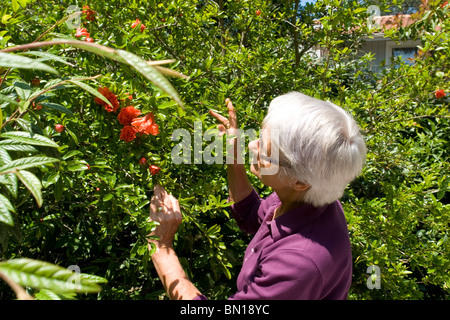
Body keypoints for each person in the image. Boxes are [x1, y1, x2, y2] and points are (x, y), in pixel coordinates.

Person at [147, 92, 367, 300]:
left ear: (300, 181)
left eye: (265, 151)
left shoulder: (298, 264)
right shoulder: (309, 197)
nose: (252, 145)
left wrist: (162, 249)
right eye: (259, 137)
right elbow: (250, 212)